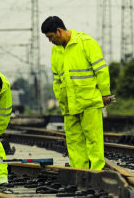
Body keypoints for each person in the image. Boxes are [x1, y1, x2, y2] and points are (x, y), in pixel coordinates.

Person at [41, 16, 111, 170]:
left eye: (50, 37)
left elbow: (101, 70)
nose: (50, 41)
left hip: (89, 101)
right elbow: (58, 79)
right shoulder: (56, 51)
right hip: (69, 104)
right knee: (74, 141)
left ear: (59, 31)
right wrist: (61, 100)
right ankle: (79, 171)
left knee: (93, 138)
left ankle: (96, 171)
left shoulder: (86, 43)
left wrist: (105, 94)